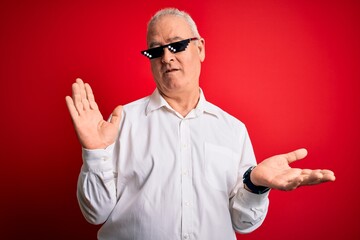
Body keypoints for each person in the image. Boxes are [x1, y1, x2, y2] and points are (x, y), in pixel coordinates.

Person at [65, 8, 335, 240]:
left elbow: (244, 223)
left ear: (200, 48)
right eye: (155, 50)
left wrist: (254, 185)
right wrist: (95, 153)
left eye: (177, 45)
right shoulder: (119, 124)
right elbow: (95, 213)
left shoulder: (233, 130)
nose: (166, 58)